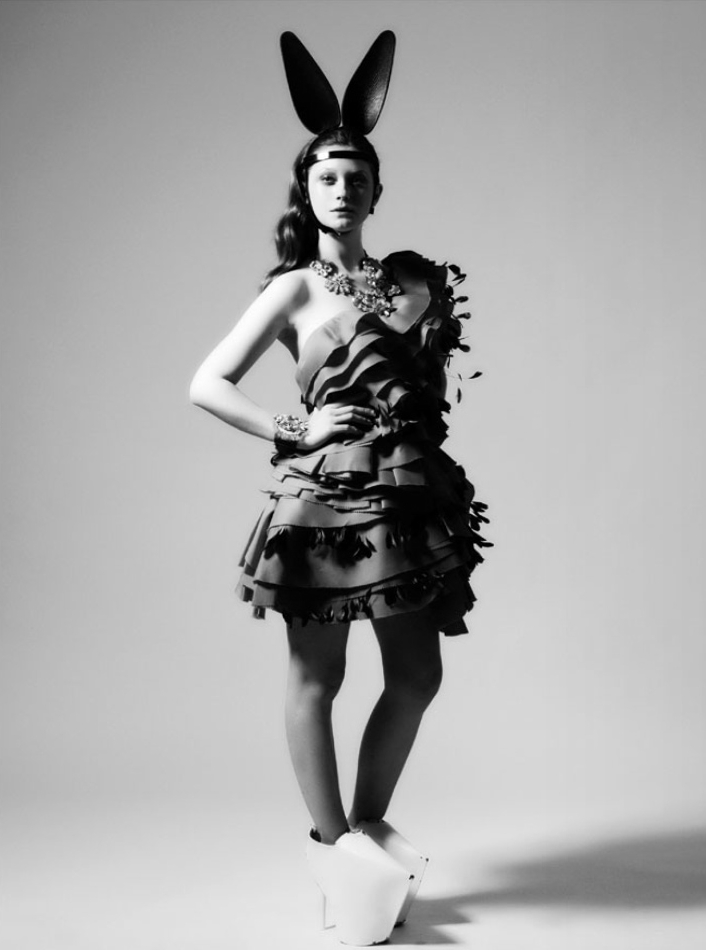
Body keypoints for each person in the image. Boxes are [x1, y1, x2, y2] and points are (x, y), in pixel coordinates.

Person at [190, 31, 490, 946]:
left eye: (356, 175)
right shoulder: (292, 290)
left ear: (374, 190)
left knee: (418, 673)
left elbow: (426, 386)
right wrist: (295, 428)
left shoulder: (409, 284)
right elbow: (207, 383)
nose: (343, 187)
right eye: (327, 175)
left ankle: (362, 838)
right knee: (318, 675)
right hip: (325, 499)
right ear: (307, 190)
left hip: (403, 494)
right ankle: (335, 853)